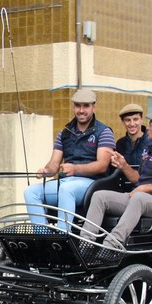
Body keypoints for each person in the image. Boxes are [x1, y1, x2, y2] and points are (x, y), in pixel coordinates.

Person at [80, 110, 152, 249]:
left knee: (139, 198)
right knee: (99, 196)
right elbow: (139, 179)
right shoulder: (151, 148)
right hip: (139, 198)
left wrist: (143, 188)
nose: (148, 128)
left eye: (151, 125)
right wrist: (124, 165)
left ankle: (112, 245)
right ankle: (85, 243)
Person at [23, 88, 115, 230]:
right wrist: (46, 171)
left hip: (93, 184)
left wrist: (75, 169)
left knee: (66, 189)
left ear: (93, 107)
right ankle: (43, 238)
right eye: (78, 105)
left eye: (86, 106)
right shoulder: (64, 133)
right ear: (73, 107)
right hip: (66, 181)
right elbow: (54, 164)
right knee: (30, 192)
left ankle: (63, 236)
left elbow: (102, 165)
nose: (81, 110)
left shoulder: (104, 132)